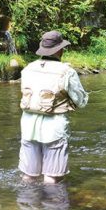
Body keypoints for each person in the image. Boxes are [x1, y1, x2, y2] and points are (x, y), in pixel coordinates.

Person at [18, 30, 88, 184]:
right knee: (52, 176)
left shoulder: (27, 69)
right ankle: (52, 207)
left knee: (29, 176)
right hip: (54, 129)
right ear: (59, 50)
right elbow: (81, 101)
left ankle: (26, 206)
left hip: (28, 126)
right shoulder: (67, 71)